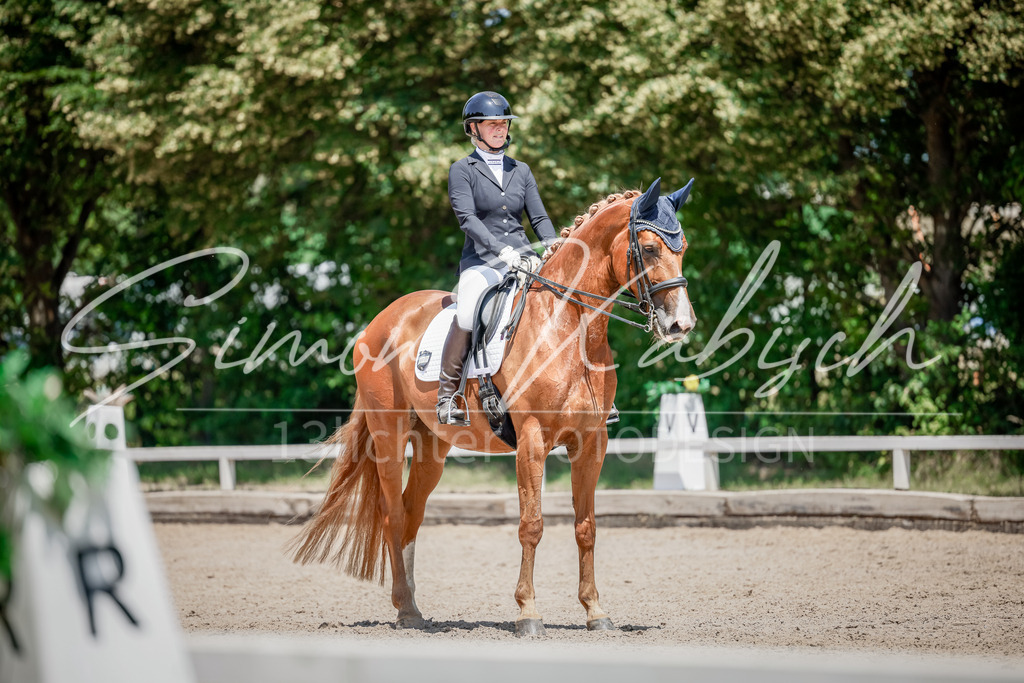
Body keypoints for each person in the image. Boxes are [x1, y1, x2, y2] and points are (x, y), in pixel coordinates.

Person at [436, 91, 557, 425]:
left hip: (524, 259)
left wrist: (552, 245)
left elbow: (539, 218)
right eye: (493, 124)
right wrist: (500, 251)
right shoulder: (462, 170)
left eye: (503, 124)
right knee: (469, 307)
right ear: (474, 128)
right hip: (482, 261)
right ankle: (447, 395)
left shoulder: (521, 170)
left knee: (564, 299)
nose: (501, 129)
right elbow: (468, 219)